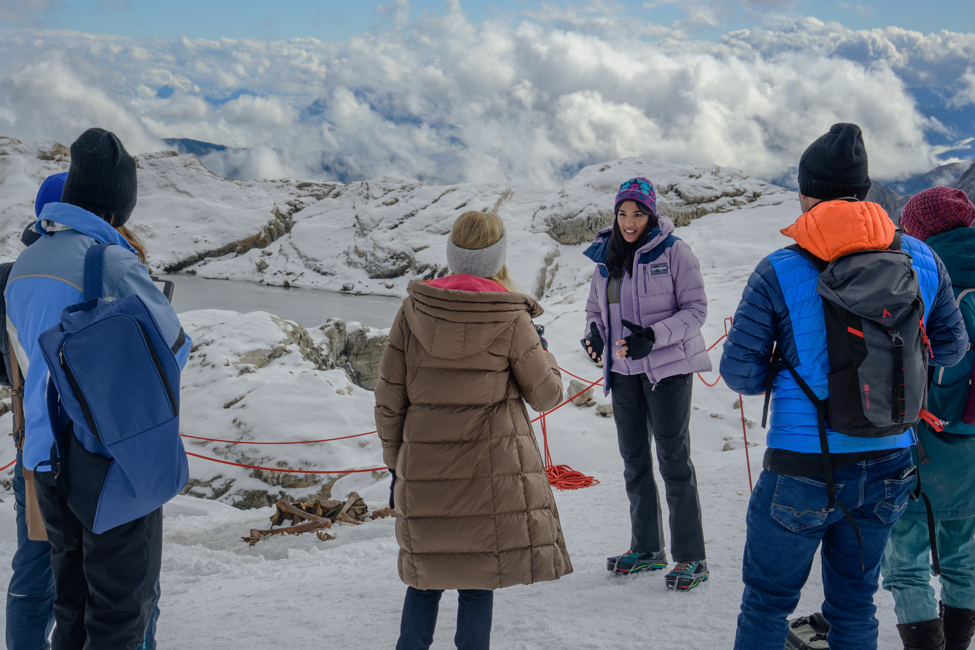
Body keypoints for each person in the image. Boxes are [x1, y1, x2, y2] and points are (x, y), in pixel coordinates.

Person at [721, 123, 969, 649]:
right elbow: (951, 349)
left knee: (767, 603)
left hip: (802, 462)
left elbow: (741, 375)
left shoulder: (778, 269)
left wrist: (789, 366)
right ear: (864, 190)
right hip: (890, 456)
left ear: (807, 193)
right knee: (855, 603)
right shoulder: (923, 259)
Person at [5, 128, 190, 649]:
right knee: (119, 615)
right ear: (118, 202)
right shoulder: (110, 262)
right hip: (109, 461)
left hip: (45, 458)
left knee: (71, 607)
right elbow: (174, 347)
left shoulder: (25, 265)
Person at [375, 210, 572, 650]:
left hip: (423, 471)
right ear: (497, 258)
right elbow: (546, 395)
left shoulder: (413, 310)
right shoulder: (512, 316)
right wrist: (545, 353)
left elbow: (389, 400)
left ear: (453, 253)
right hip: (490, 477)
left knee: (424, 582)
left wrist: (396, 466)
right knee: (478, 585)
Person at [580, 177, 711, 590]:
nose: (629, 221)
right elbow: (595, 310)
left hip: (667, 369)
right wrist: (595, 334)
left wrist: (653, 337)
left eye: (637, 213)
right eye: (622, 213)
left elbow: (696, 310)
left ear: (651, 214)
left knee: (673, 460)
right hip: (623, 373)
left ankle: (691, 558)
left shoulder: (673, 251)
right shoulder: (606, 257)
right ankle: (648, 549)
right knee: (634, 461)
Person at [881, 186, 975, 650]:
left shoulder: (918, 280)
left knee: (906, 564)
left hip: (921, 442)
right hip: (973, 447)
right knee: (964, 560)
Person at [3, 173, 63, 650]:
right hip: (89, 446)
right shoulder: (97, 265)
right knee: (118, 577)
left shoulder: (11, 274)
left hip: (32, 446)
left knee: (34, 564)